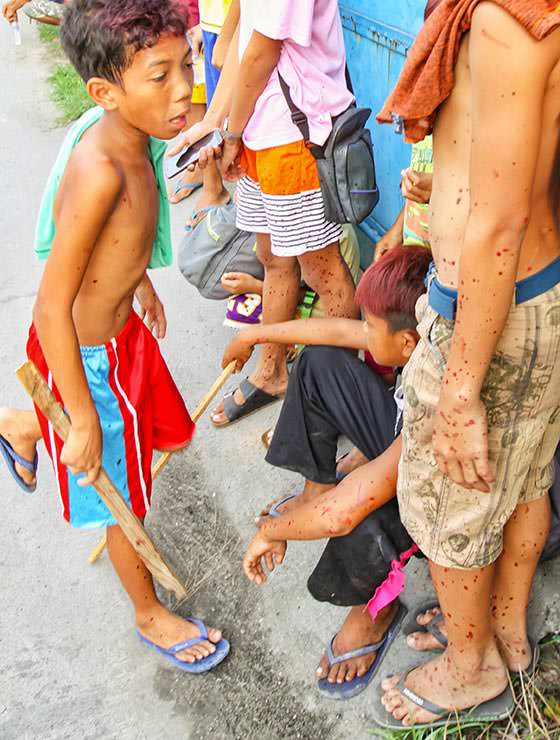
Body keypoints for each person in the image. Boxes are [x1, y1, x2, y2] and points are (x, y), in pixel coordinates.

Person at [0, 0, 229, 674]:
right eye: (159, 76)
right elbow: (50, 308)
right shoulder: (99, 168)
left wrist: (135, 279)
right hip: (86, 359)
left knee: (135, 457)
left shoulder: (140, 138)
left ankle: (20, 426)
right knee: (118, 491)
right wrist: (77, 418)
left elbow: (115, 244)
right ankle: (148, 611)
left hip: (121, 338)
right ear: (105, 92)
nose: (185, 87)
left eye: (186, 64)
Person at [375, 0, 560, 728]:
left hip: (492, 311)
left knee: (449, 493)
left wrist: (458, 391)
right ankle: (507, 632)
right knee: (519, 478)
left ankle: (468, 665)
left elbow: (499, 221)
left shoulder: (506, 20)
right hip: (527, 298)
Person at [221, 247, 431, 698]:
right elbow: (335, 330)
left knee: (370, 503)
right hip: (403, 448)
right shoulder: (425, 337)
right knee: (319, 362)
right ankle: (315, 489)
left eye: (370, 326)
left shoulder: (431, 409)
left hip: (437, 486)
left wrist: (278, 531)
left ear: (407, 344)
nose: (362, 332)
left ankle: (373, 609)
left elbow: (348, 509)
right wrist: (259, 335)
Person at [185, 0, 358, 427]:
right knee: (273, 259)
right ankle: (272, 372)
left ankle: (333, 397)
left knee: (322, 271)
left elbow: (261, 52)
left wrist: (229, 132)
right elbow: (236, 47)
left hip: (295, 136)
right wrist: (213, 122)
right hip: (260, 131)